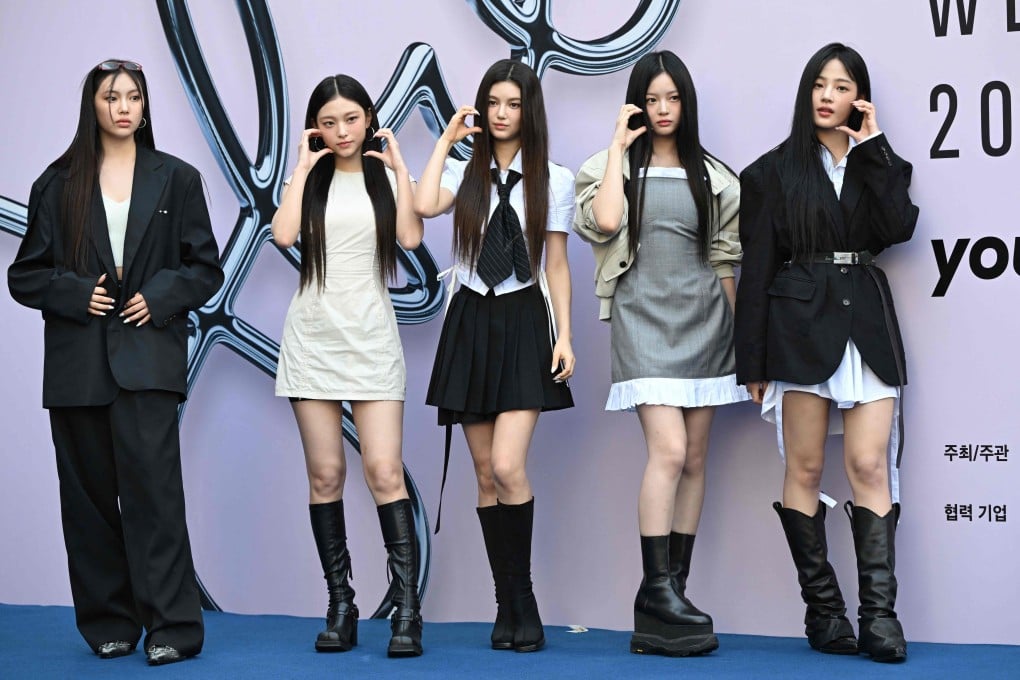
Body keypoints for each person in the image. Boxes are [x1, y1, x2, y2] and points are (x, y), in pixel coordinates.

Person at [8, 59, 223, 666]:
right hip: (78, 367)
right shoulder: (57, 182)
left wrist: (157, 298)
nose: (123, 107)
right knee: (88, 502)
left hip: (148, 360)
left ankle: (173, 629)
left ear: (145, 106)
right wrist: (77, 294)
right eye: (111, 97)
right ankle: (110, 624)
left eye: (133, 96)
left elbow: (205, 268)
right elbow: (24, 274)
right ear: (93, 106)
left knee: (155, 497)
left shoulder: (177, 180)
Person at [734, 43, 918, 663]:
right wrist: (752, 360)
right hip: (797, 324)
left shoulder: (878, 164)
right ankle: (824, 612)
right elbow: (755, 266)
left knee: (870, 467)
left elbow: (897, 228)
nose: (826, 95)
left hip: (864, 323)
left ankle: (880, 619)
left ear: (858, 99)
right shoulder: (771, 173)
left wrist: (874, 148)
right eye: (818, 83)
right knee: (806, 471)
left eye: (841, 86)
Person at [574, 50, 746, 657]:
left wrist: (739, 340)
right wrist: (620, 147)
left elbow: (725, 261)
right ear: (637, 104)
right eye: (653, 99)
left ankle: (673, 597)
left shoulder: (717, 176)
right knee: (668, 450)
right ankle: (655, 589)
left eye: (673, 99)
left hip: (706, 324)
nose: (664, 110)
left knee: (696, 458)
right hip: (642, 321)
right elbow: (603, 222)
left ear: (687, 103)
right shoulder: (606, 166)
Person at [414, 59, 575, 653]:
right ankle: (505, 605)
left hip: (524, 315)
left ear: (527, 111)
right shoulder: (466, 169)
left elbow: (555, 262)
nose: (502, 114)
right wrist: (447, 141)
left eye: (512, 104)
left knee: (509, 466)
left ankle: (523, 597)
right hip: (471, 317)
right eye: (493, 104)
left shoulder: (553, 180)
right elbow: (426, 206)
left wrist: (565, 335)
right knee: (484, 474)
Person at [272, 74, 425, 657]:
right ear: (317, 126)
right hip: (313, 337)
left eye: (352, 119)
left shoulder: (385, 177)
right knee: (326, 476)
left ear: (369, 118)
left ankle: (407, 610)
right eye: (330, 122)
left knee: (384, 471)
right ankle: (341, 604)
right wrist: (300, 169)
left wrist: (401, 166)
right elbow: (283, 234)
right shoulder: (310, 180)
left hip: (371, 337)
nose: (342, 132)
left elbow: (411, 238)